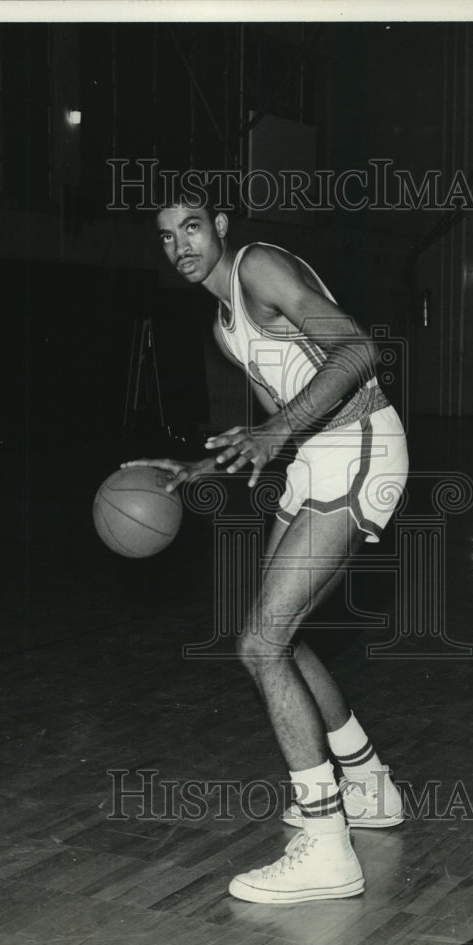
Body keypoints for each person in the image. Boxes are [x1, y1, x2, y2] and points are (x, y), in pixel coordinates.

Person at [123, 193, 409, 904]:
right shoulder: (224, 323)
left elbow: (357, 351)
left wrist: (276, 433)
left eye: (191, 227)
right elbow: (277, 410)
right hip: (317, 456)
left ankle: (325, 846)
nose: (180, 245)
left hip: (360, 446)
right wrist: (201, 469)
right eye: (165, 237)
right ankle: (366, 784)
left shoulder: (260, 269)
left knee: (260, 642)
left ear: (220, 226)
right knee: (278, 632)